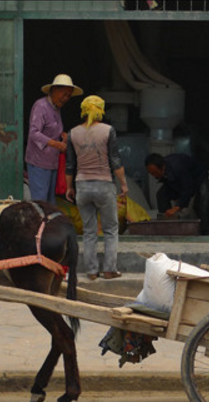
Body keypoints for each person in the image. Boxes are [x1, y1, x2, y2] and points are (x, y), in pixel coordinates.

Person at [65, 95, 129, 280]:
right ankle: (109, 269)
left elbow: (70, 164)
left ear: (84, 111)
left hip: (82, 186)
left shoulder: (73, 133)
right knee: (110, 230)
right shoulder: (108, 130)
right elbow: (115, 161)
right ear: (100, 110)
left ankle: (91, 271)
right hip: (104, 185)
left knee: (89, 231)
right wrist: (123, 184)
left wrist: (69, 187)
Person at [25, 74, 82, 204]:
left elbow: (51, 129)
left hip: (52, 163)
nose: (66, 98)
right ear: (54, 90)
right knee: (41, 202)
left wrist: (62, 135)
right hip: (38, 162)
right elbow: (34, 133)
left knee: (50, 202)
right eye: (64, 94)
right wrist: (55, 144)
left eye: (68, 96)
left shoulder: (56, 109)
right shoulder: (41, 106)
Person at [145, 153, 207, 218]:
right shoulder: (165, 169)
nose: (154, 176)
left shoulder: (177, 166)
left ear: (163, 167)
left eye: (154, 172)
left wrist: (177, 207)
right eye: (151, 173)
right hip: (181, 181)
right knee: (161, 194)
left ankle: (204, 226)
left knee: (202, 201)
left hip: (198, 178)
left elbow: (188, 188)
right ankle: (166, 220)